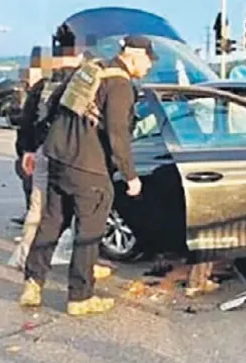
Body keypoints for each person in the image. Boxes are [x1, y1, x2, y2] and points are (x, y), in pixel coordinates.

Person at [18, 34, 151, 316]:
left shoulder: (92, 69)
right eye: (149, 60)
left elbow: (53, 104)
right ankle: (80, 297)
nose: (149, 67)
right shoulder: (120, 84)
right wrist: (131, 176)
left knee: (51, 223)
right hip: (89, 166)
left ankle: (33, 282)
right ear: (134, 56)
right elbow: (117, 134)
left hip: (58, 156)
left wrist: (37, 146)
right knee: (89, 233)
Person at [11, 27, 90, 270]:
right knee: (85, 212)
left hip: (45, 152)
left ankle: (24, 257)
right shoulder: (85, 83)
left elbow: (27, 120)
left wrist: (27, 150)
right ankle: (86, 263)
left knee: (38, 209)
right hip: (78, 155)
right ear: (79, 55)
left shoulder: (45, 84)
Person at [12, 46, 45, 223]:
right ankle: (30, 211)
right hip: (26, 147)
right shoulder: (24, 90)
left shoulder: (46, 90)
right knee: (28, 182)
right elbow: (15, 115)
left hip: (40, 148)